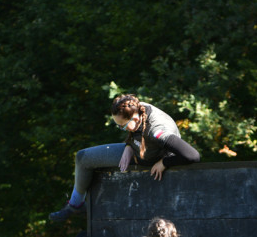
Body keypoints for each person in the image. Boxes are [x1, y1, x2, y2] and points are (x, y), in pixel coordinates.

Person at [49, 94, 200, 221]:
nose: (121, 128)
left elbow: (193, 155)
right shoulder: (136, 107)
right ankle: (75, 206)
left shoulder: (157, 131)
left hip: (153, 159)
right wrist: (128, 145)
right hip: (136, 150)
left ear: (134, 119)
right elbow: (135, 131)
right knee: (82, 157)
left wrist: (164, 162)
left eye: (122, 125)